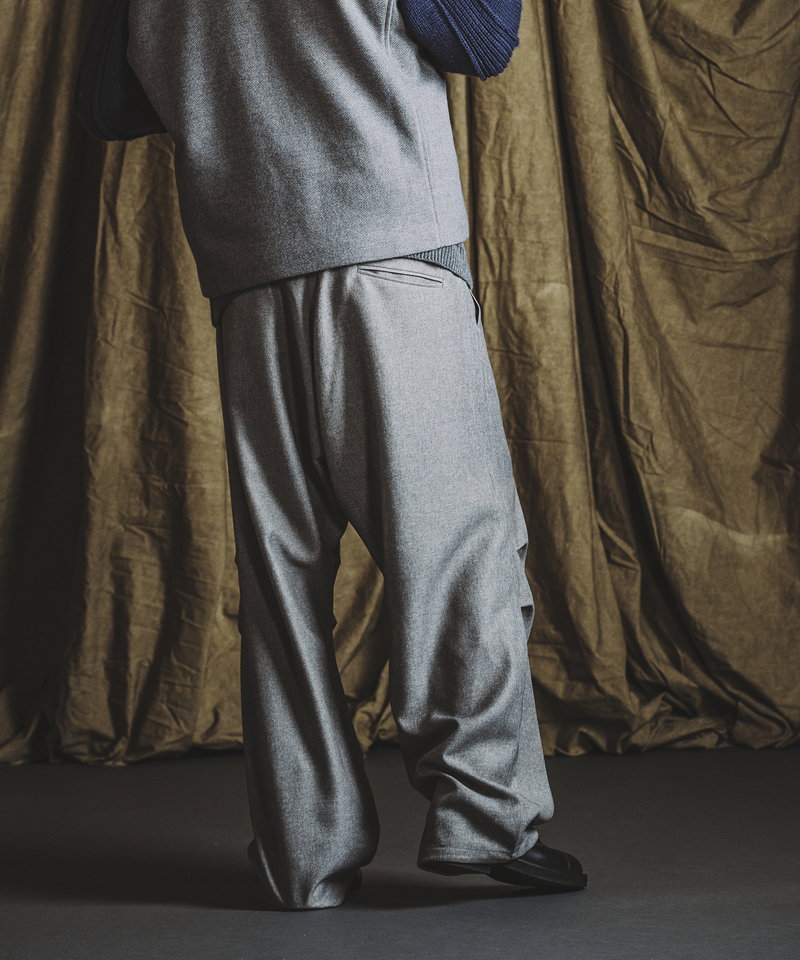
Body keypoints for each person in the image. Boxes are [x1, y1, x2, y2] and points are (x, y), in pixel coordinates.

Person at [127, 0, 587, 910]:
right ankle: (486, 817)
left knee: (282, 585)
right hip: (385, 243)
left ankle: (304, 854)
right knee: (458, 550)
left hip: (246, 275)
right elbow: (481, 39)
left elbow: (113, 102)